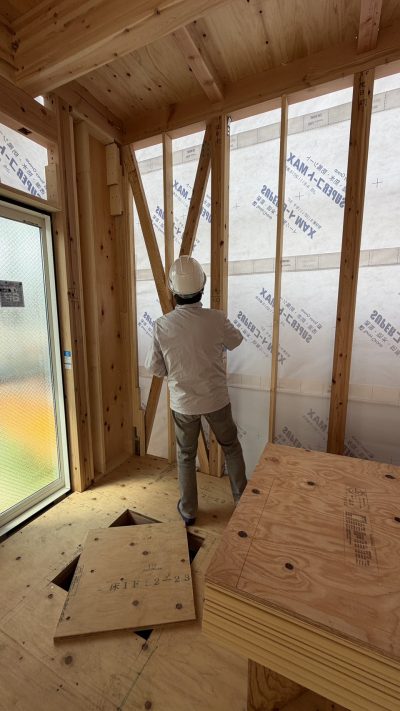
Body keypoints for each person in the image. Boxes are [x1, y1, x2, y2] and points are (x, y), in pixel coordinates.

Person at [145, 255, 247, 526]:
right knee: (231, 447)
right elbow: (236, 341)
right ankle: (242, 502)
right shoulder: (216, 318)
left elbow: (155, 368)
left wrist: (178, 371)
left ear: (173, 290)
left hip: (184, 403)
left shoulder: (161, 325)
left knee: (186, 456)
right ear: (202, 286)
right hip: (216, 399)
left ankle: (189, 510)